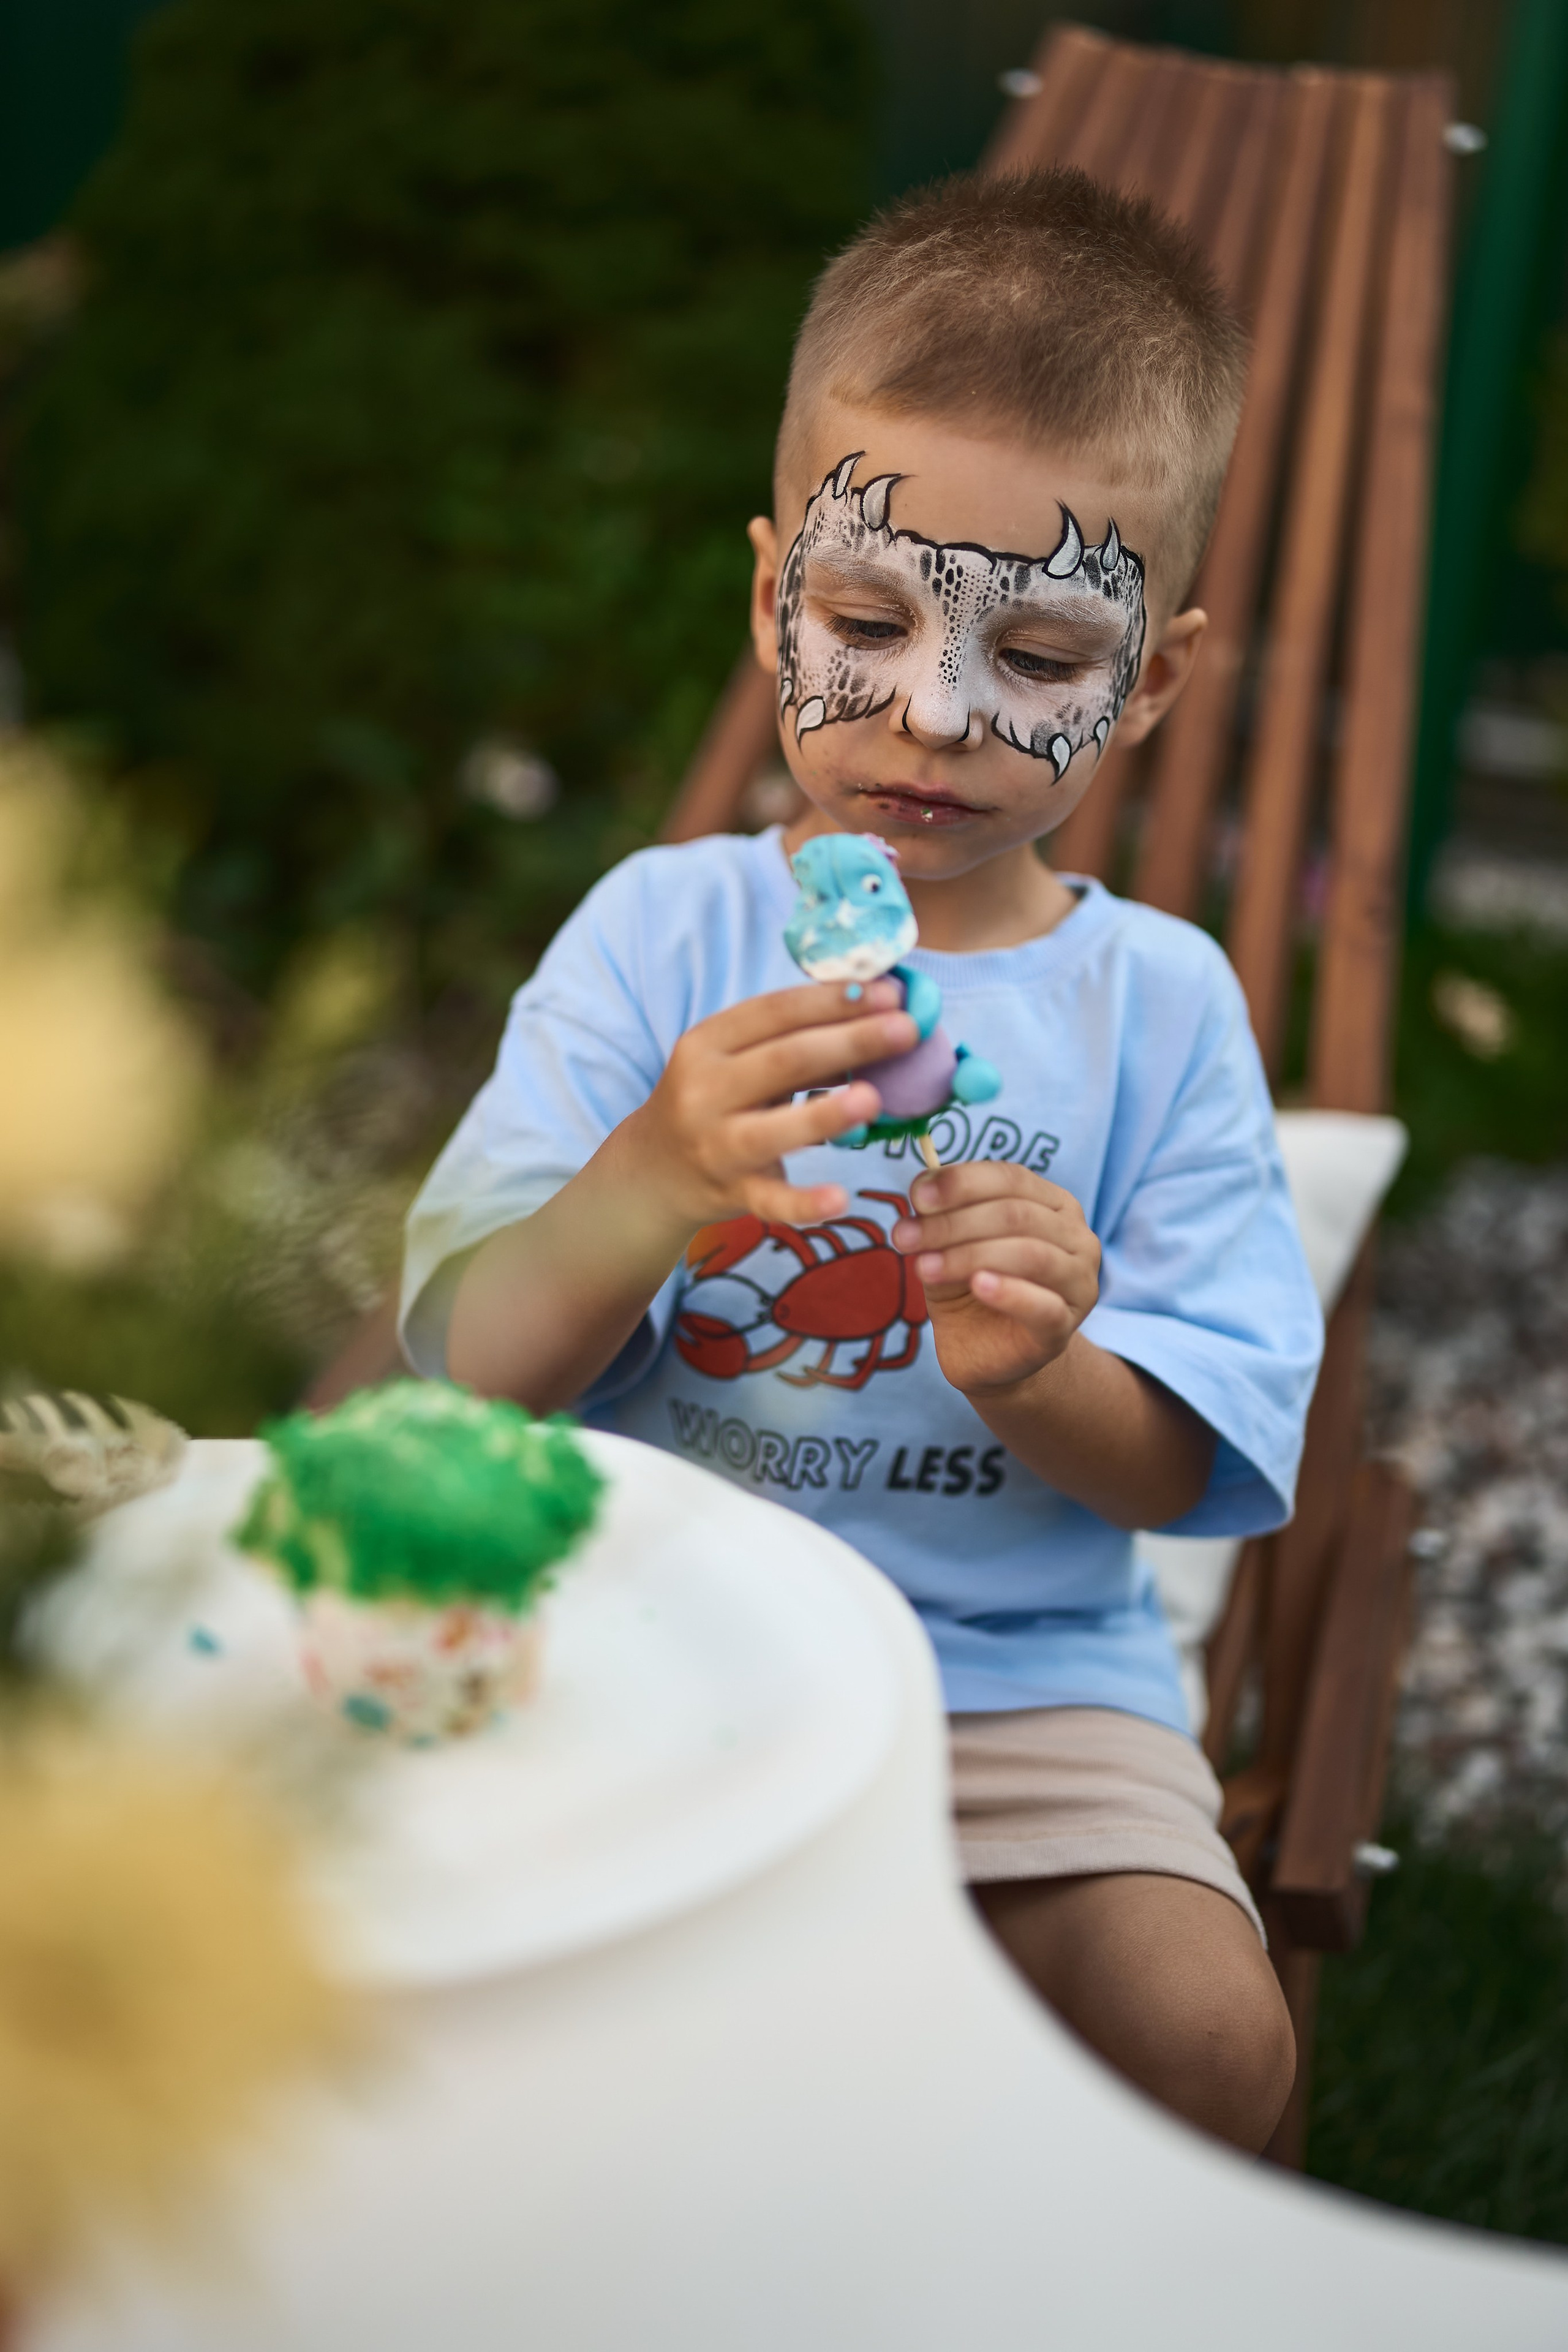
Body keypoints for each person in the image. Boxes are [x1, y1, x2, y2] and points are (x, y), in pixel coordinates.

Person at [401, 167, 1322, 2152]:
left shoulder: (1162, 1009)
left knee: (1211, 2044)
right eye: (868, 616)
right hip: (646, 1641)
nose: (931, 711)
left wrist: (1045, 1369)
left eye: (1044, 657)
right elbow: (466, 1372)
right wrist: (653, 1173)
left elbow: (1196, 1459)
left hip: (1022, 1689)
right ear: (770, 598)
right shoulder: (660, 942)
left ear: (1151, 679)